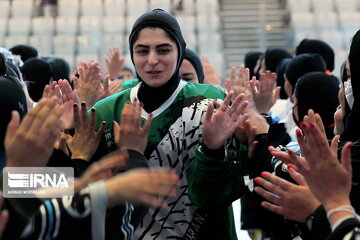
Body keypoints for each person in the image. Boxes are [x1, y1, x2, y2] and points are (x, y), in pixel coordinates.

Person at [91, 9, 248, 239]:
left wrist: (213, 150)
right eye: (142, 51)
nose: (152, 60)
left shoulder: (212, 103)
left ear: (180, 51)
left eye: (163, 50)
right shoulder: (107, 110)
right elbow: (76, 196)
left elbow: (222, 196)